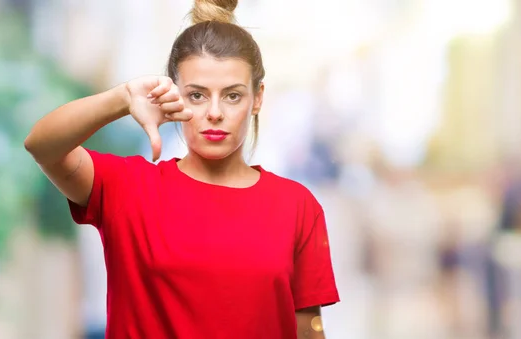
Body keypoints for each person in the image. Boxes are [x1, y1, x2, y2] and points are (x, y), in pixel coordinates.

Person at [24, 0, 340, 338]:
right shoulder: (128, 188)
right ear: (174, 94)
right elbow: (42, 145)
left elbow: (309, 330)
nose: (215, 112)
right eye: (197, 95)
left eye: (232, 96)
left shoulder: (297, 206)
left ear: (257, 97)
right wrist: (122, 97)